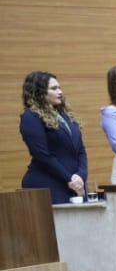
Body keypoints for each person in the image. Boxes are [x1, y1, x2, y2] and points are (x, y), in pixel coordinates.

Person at [19, 71, 88, 203]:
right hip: (48, 184)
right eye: (54, 88)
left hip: (75, 184)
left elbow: (80, 150)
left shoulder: (65, 116)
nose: (60, 92)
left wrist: (81, 175)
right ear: (39, 93)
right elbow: (42, 155)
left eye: (59, 88)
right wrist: (69, 179)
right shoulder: (31, 117)